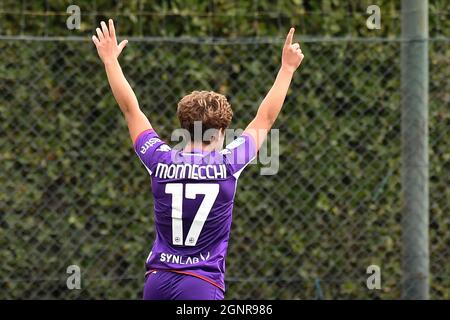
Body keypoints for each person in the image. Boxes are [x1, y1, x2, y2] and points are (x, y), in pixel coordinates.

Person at [92, 19, 304, 300]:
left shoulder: (159, 159)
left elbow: (131, 110)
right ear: (223, 132)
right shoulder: (229, 165)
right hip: (201, 284)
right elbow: (265, 117)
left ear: (183, 126)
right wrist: (287, 68)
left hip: (158, 282)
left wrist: (110, 61)